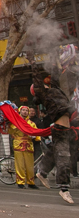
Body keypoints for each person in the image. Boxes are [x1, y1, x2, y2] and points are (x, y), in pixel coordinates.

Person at [32, 72, 75, 203]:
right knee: (63, 158)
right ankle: (64, 189)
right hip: (59, 129)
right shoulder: (44, 95)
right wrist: (32, 60)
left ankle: (42, 171)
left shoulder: (54, 90)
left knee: (56, 152)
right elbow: (37, 81)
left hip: (67, 129)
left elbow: (55, 78)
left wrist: (56, 63)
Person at [10, 106, 40, 189]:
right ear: (20, 111)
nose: (25, 112)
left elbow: (36, 134)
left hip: (29, 145)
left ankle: (31, 182)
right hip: (18, 144)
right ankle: (20, 182)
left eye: (27, 110)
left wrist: (34, 136)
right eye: (23, 110)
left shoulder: (32, 123)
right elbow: (10, 131)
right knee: (20, 164)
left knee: (30, 165)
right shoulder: (15, 122)